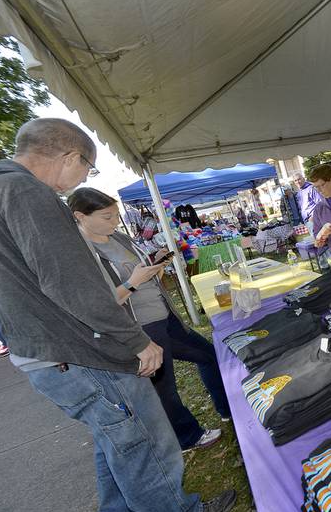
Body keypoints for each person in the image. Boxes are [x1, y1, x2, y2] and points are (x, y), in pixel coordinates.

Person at [0, 118, 235, 512]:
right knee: (144, 437)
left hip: (43, 352)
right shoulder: (29, 192)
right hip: (76, 349)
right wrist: (136, 340)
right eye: (87, 167)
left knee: (116, 437)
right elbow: (72, 283)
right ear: (69, 156)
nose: (84, 178)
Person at [68, 187, 231, 452]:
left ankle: (227, 408)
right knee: (165, 388)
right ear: (80, 216)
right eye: (107, 217)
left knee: (209, 356)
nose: (115, 222)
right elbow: (100, 304)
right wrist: (133, 283)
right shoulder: (80, 254)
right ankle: (187, 437)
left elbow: (138, 269)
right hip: (141, 328)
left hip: (164, 316)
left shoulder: (119, 238)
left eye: (116, 215)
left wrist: (155, 264)